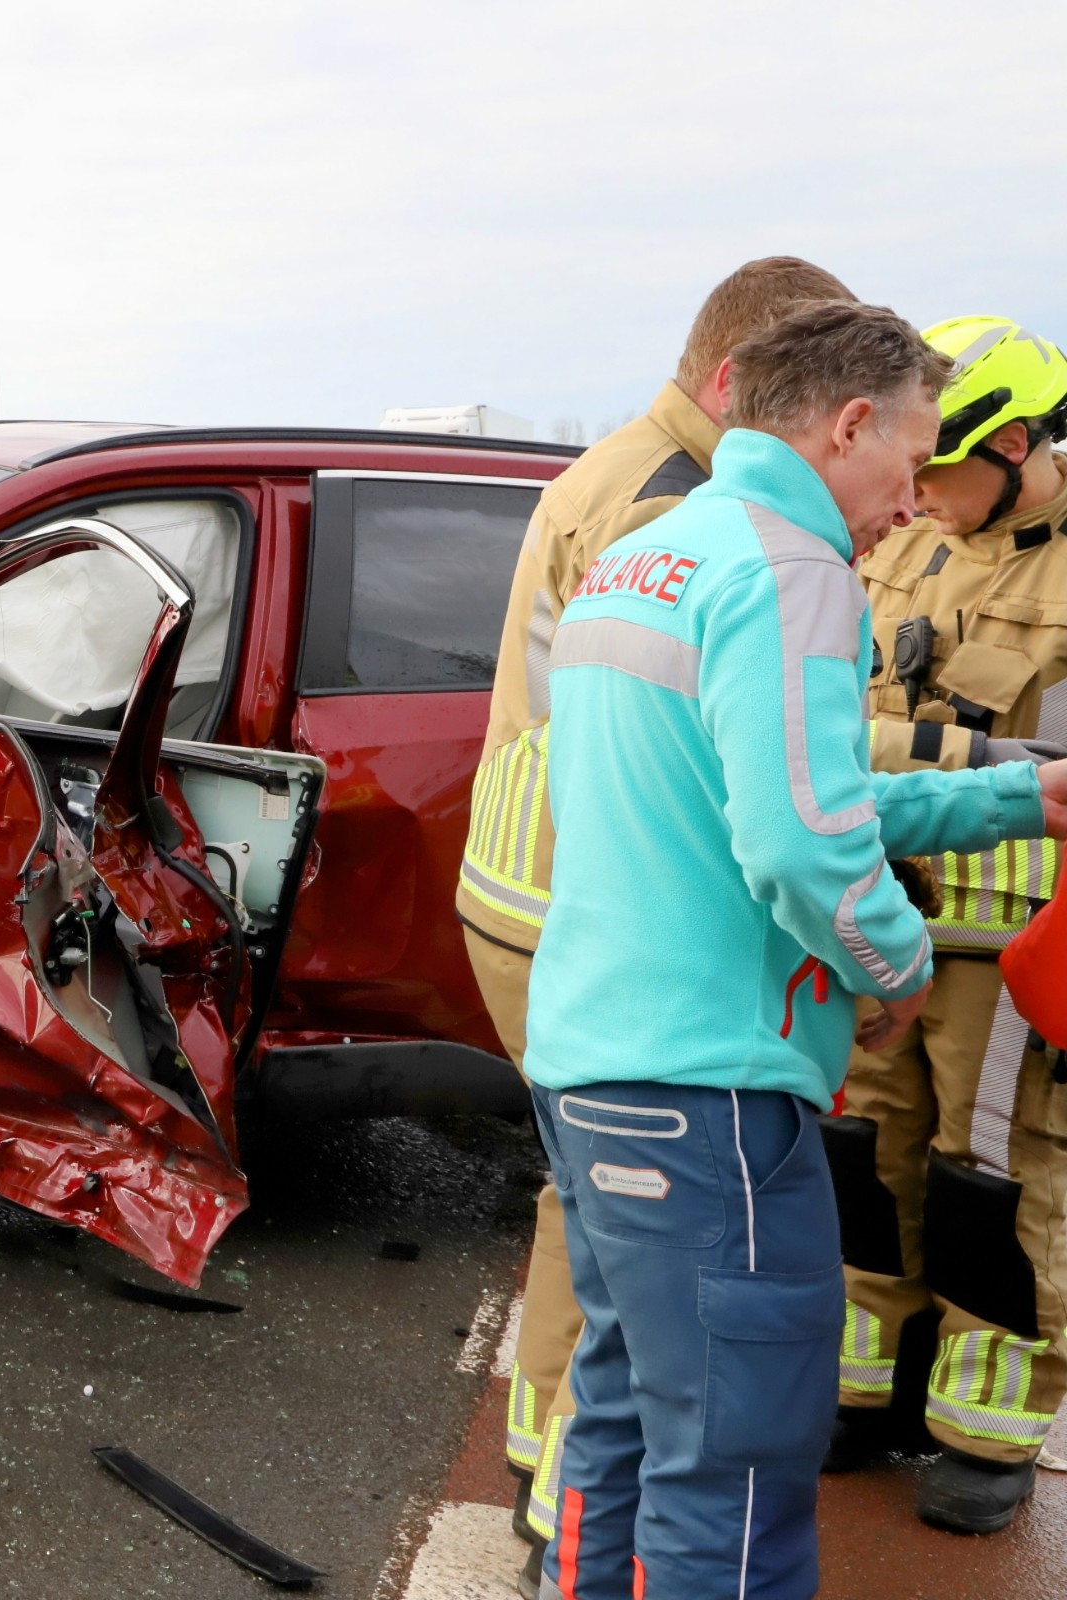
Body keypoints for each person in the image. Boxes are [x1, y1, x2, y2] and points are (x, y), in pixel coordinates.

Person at [524, 300, 1067, 1600]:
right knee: (737, 1472)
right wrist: (897, 967)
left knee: (622, 1424)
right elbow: (802, 842)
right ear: (850, 423)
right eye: (913, 457)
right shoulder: (794, 569)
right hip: (710, 1099)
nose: (914, 501)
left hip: (592, 1072)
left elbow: (773, 796)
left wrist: (1011, 796)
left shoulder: (653, 553)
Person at [454, 255, 855, 1582]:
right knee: (642, 1261)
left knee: (595, 1219)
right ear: (741, 380)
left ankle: (561, 1496)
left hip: (533, 877)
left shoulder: (618, 468)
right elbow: (753, 763)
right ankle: (567, 1496)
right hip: (600, 902)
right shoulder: (681, 503)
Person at [829, 315, 1067, 1532]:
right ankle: (865, 1387)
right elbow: (830, 720)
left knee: (999, 1179)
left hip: (1014, 949)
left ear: (1016, 447)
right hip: (885, 915)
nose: (917, 490)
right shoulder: (904, 546)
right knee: (867, 1155)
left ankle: (985, 1431)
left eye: (944, 467)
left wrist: (905, 750)